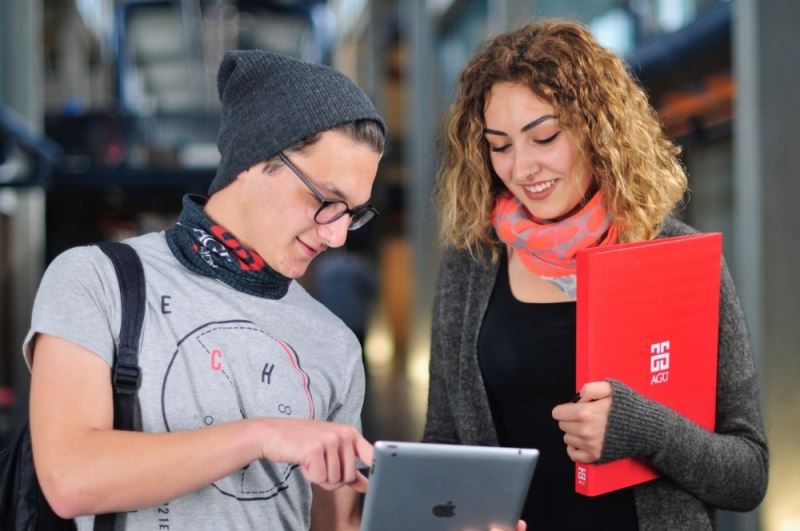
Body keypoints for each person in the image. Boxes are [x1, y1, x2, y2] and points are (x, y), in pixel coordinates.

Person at [423, 19, 768, 530]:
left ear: (596, 129)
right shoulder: (473, 263)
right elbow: (442, 445)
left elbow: (747, 475)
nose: (522, 168)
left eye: (544, 137)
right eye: (500, 146)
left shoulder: (675, 258)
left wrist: (644, 429)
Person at [25, 50, 386, 530]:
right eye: (326, 200)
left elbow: (333, 524)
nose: (337, 236)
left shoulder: (334, 342)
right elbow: (70, 479)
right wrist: (261, 436)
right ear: (253, 158)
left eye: (353, 213)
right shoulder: (98, 280)